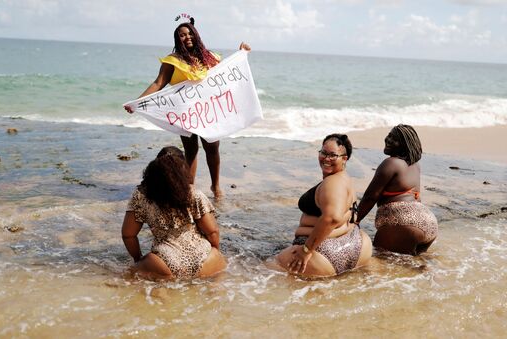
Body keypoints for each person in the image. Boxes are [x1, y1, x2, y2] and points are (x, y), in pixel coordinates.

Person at [124, 17, 251, 199]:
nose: (187, 37)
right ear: (177, 40)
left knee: (212, 148)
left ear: (196, 34)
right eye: (182, 35)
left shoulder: (210, 57)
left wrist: (240, 54)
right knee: (191, 150)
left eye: (190, 33)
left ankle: (215, 187)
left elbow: (225, 75)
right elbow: (159, 83)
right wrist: (137, 102)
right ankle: (188, 188)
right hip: (186, 113)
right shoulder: (172, 61)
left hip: (209, 111)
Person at [121, 146, 226, 280]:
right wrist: (216, 253)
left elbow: (128, 235)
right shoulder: (193, 193)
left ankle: (161, 293)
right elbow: (213, 232)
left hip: (164, 263)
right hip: (204, 259)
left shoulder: (142, 196)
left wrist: (138, 259)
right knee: (217, 270)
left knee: (130, 273)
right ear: (183, 168)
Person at [276, 134, 372, 277]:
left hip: (323, 253)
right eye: (323, 153)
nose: (326, 158)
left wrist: (306, 251)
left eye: (333, 155)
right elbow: (349, 214)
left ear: (344, 158)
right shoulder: (345, 179)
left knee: (264, 268)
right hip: (356, 244)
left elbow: (331, 218)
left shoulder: (332, 183)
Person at [355, 124, 438, 255]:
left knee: (380, 261)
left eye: (394, 139)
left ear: (405, 144)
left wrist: (355, 220)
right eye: (389, 135)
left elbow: (370, 197)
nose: (388, 140)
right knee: (413, 267)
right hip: (429, 223)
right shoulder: (415, 166)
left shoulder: (391, 163)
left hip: (404, 222)